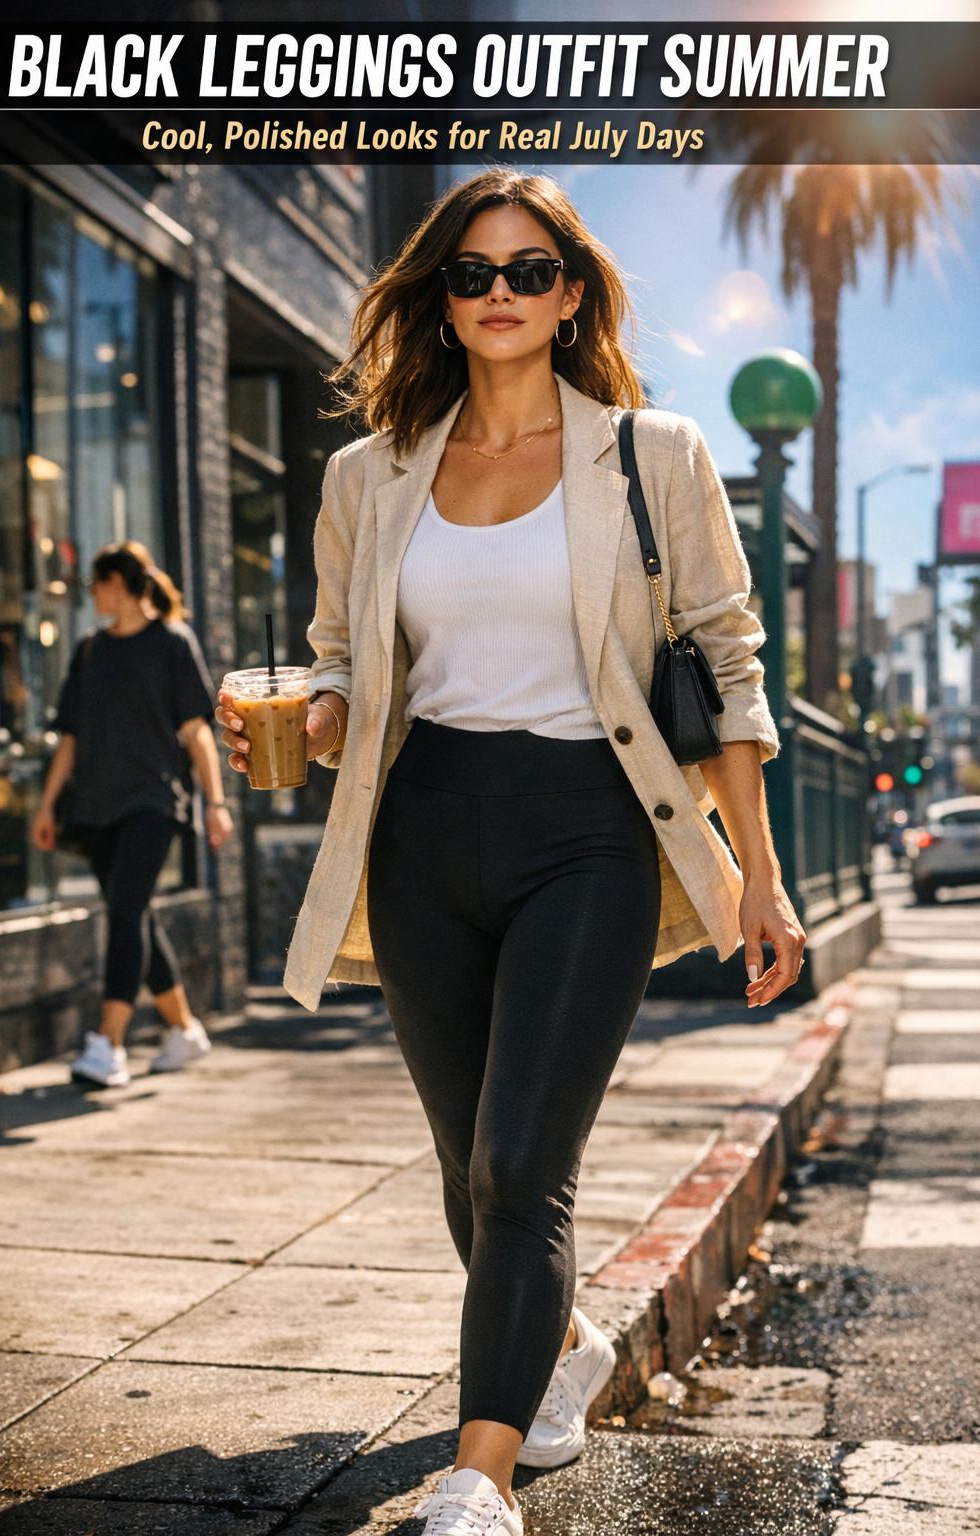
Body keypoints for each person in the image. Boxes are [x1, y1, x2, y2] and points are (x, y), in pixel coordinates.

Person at [217, 168, 807, 1536]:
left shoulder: (651, 454)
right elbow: (344, 658)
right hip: (426, 830)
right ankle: (562, 1352)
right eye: (472, 272)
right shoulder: (371, 474)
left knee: (516, 1166)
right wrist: (309, 714)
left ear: (571, 293)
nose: (498, 294)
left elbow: (729, 664)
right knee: (460, 1160)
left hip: (592, 835)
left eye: (528, 271)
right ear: (438, 293)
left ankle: (479, 1476)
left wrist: (758, 873)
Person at [32, 540, 234, 1089]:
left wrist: (215, 803)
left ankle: (108, 1044)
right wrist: (48, 804)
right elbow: (69, 739)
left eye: (94, 585)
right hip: (96, 809)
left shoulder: (171, 644)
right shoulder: (90, 651)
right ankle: (184, 1030)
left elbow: (197, 732)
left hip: (152, 802)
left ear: (115, 585)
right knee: (135, 914)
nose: (91, 595)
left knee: (124, 912)